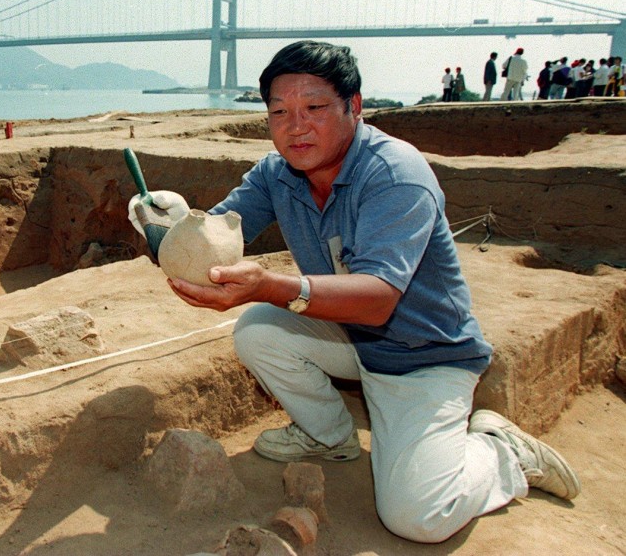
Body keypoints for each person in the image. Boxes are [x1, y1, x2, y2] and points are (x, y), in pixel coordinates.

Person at [128, 40, 580, 544]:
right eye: (280, 111)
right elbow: (214, 240)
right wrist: (162, 228)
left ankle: (502, 451)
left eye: (315, 108)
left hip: (424, 357)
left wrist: (273, 287)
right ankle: (329, 437)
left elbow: (379, 296)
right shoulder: (278, 175)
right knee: (257, 331)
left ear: (355, 106)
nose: (296, 126)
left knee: (417, 517)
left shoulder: (395, 175)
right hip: (349, 337)